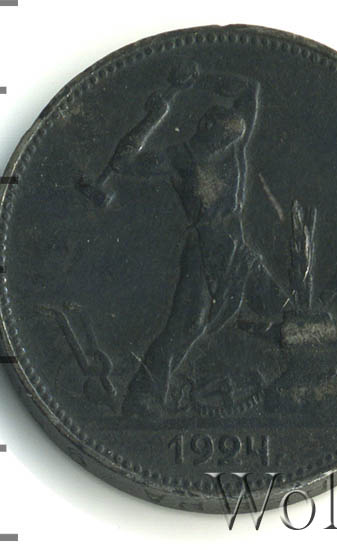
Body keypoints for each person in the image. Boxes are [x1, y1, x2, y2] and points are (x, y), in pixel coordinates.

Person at [79, 61, 262, 413]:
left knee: (277, 308)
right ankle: (143, 396)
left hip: (235, 246)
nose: (230, 141)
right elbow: (124, 163)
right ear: (207, 128)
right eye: (224, 136)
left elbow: (249, 89)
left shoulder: (234, 149)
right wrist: (152, 119)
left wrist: (198, 78)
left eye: (233, 137)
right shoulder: (179, 157)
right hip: (205, 248)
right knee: (188, 325)